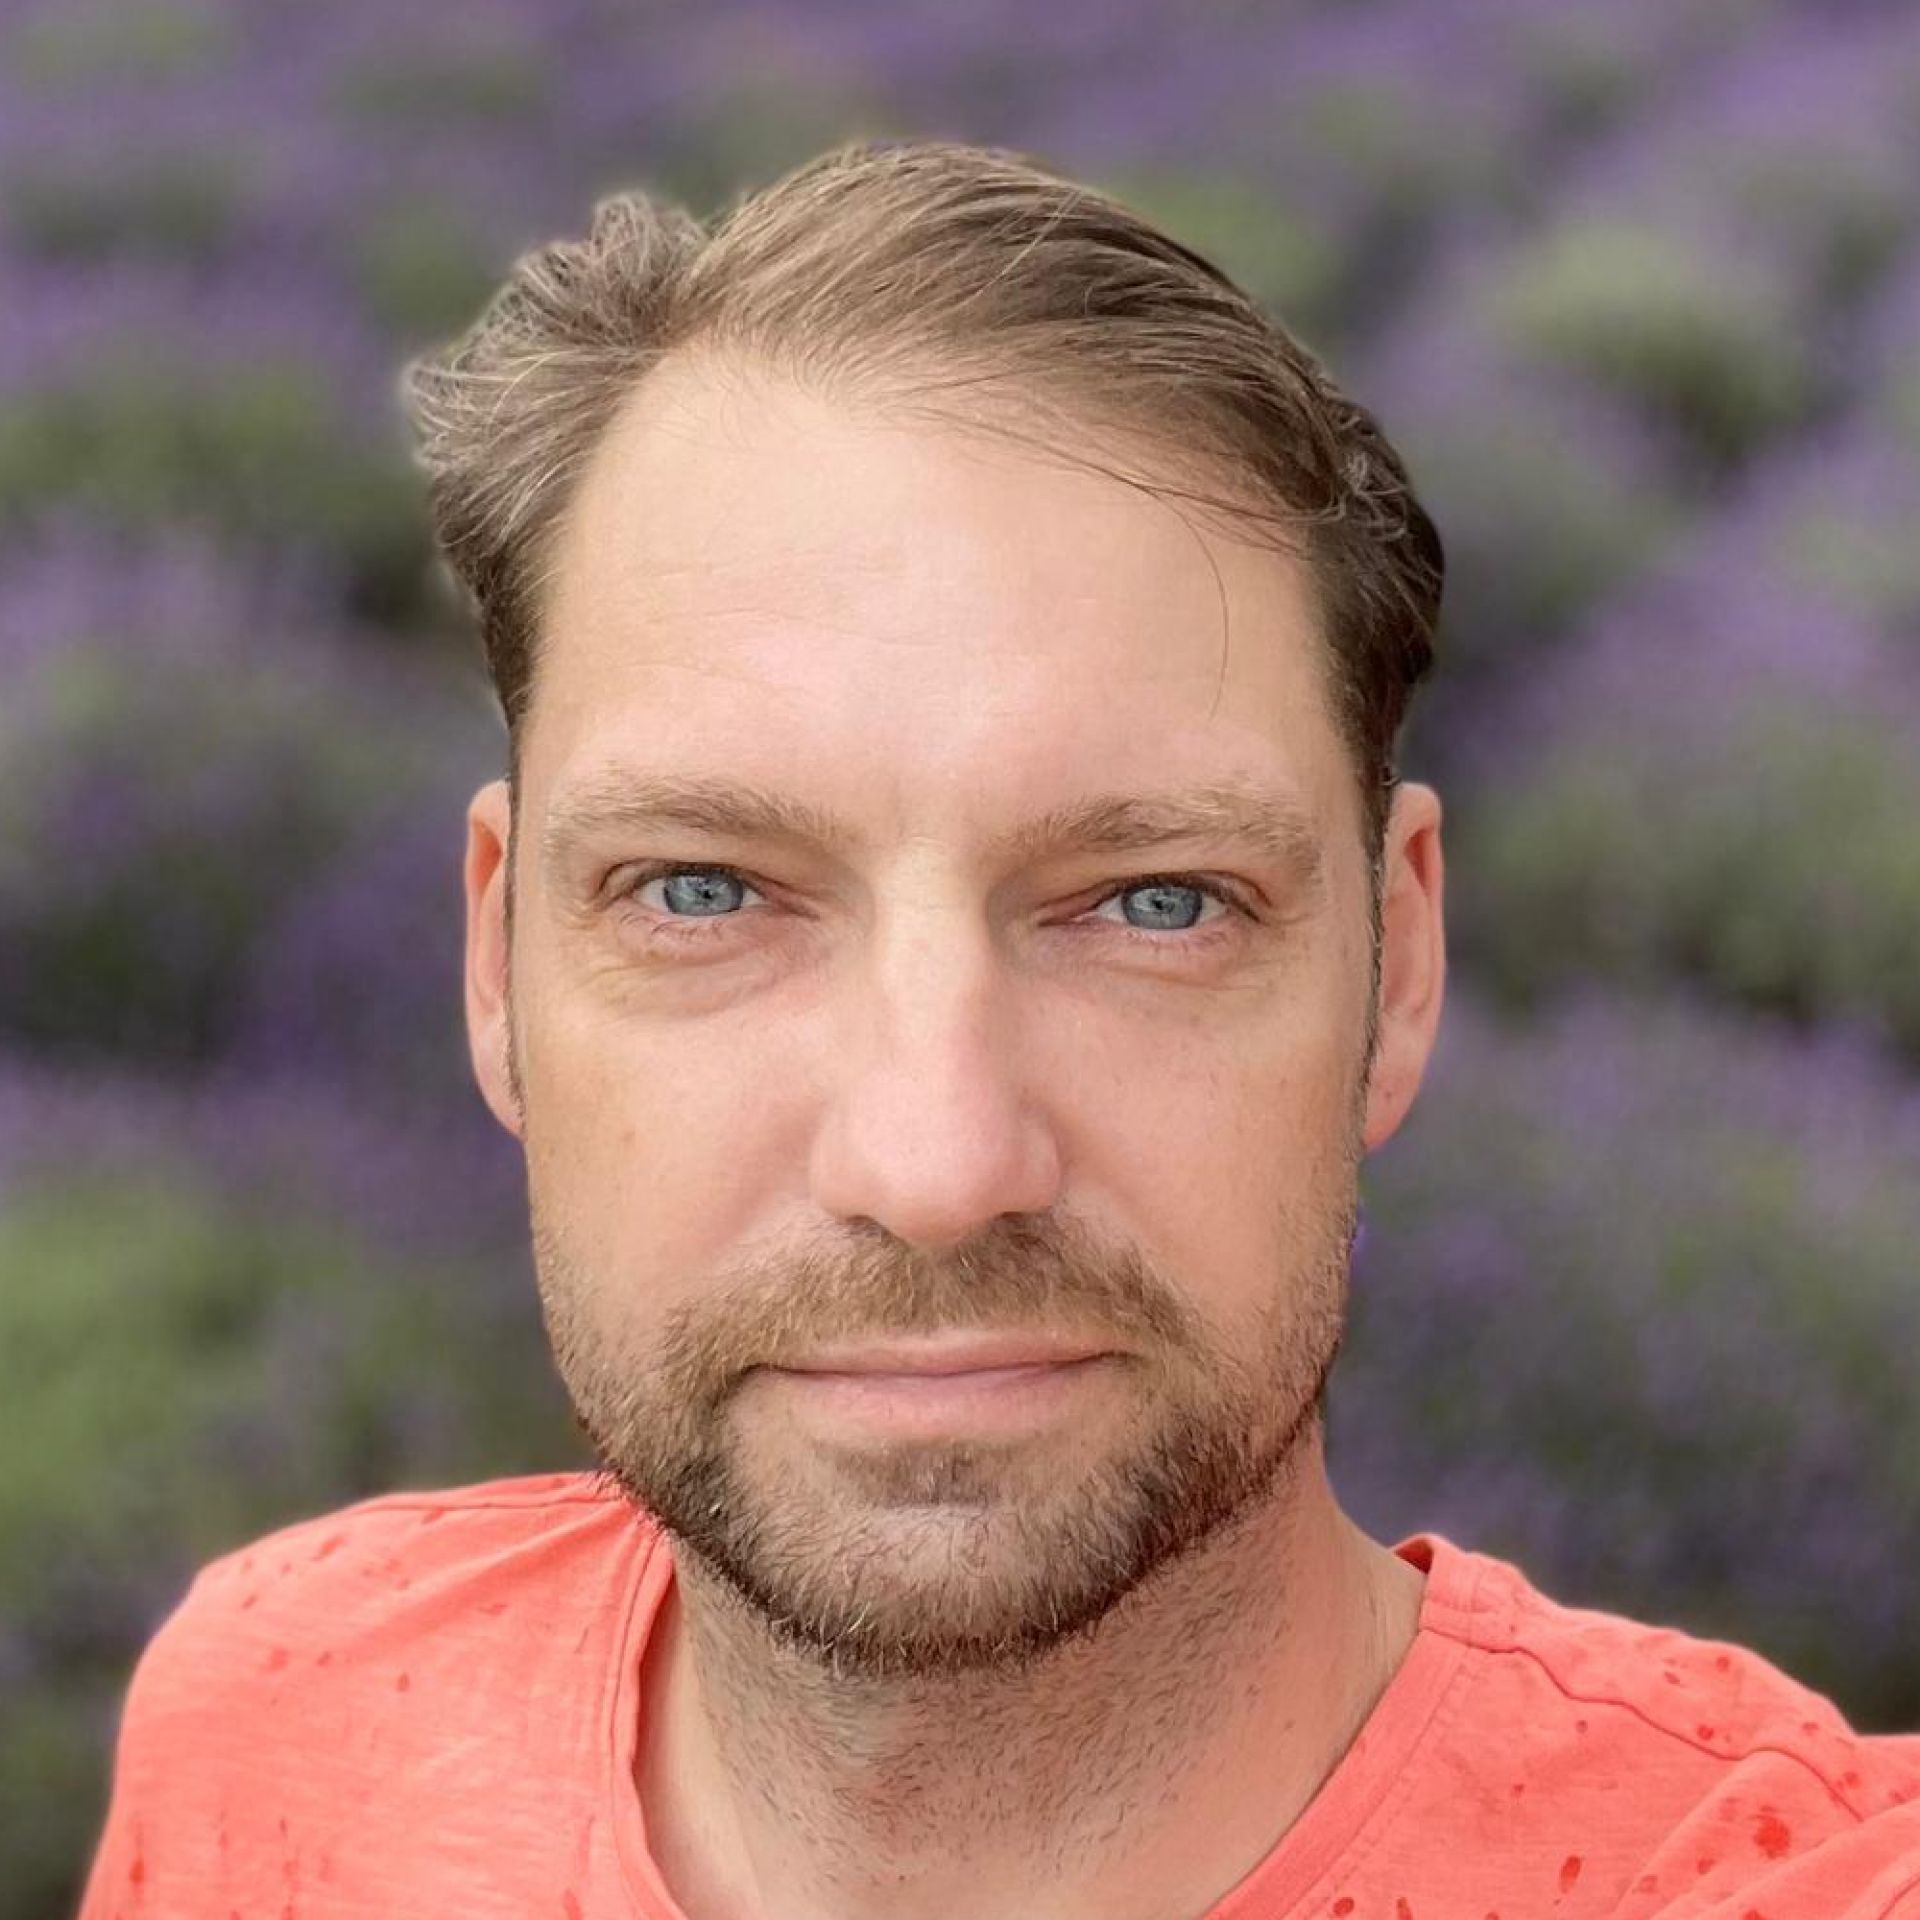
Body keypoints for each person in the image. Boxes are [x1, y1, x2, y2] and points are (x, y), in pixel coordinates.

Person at [79, 138, 1919, 1920]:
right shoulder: (280, 1732)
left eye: (1156, 903)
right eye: (704, 891)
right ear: (495, 967)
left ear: (1401, 963)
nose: (937, 1163)